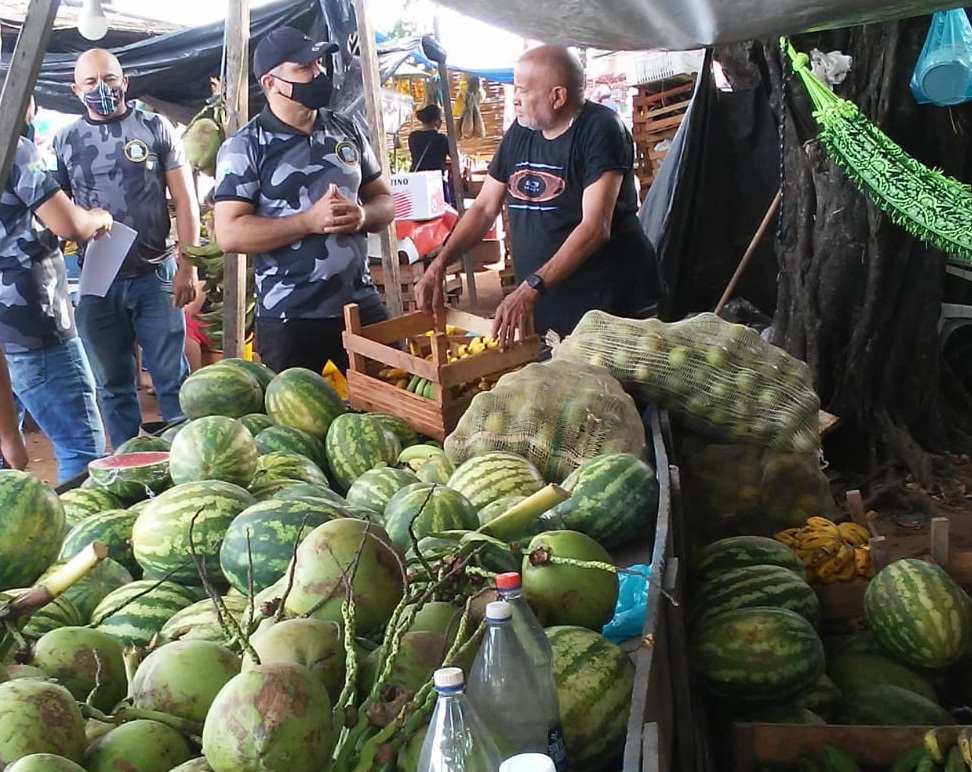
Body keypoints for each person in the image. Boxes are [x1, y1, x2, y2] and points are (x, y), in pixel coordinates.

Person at [415, 45, 659, 348]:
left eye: (523, 90)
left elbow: (596, 226)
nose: (514, 99)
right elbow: (482, 208)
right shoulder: (521, 131)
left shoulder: (600, 130)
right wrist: (440, 262)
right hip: (549, 303)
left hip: (608, 307)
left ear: (558, 96)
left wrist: (531, 287)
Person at [213, 26, 395, 374]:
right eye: (304, 68)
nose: (318, 73)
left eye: (318, 64)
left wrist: (360, 214)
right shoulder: (245, 146)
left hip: (360, 305)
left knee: (399, 408)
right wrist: (307, 222)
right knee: (294, 425)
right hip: (289, 317)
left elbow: (385, 201)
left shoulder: (347, 130)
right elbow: (230, 233)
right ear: (270, 82)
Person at [53, 48, 200, 449]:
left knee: (172, 381)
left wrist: (189, 265)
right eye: (91, 82)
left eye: (110, 78)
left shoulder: (155, 126)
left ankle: (185, 463)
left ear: (125, 81)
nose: (102, 87)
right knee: (113, 386)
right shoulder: (65, 140)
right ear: (75, 89)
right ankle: (125, 464)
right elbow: (56, 209)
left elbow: (185, 201)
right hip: (98, 281)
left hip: (155, 274)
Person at [0, 134, 113, 482]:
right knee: (81, 451)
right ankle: (79, 536)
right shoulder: (11, 143)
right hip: (35, 323)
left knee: (6, 450)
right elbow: (70, 224)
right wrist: (98, 217)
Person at [408, 104, 452, 203]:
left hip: (417, 181)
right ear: (437, 121)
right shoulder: (442, 138)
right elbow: (454, 158)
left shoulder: (412, 137)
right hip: (436, 182)